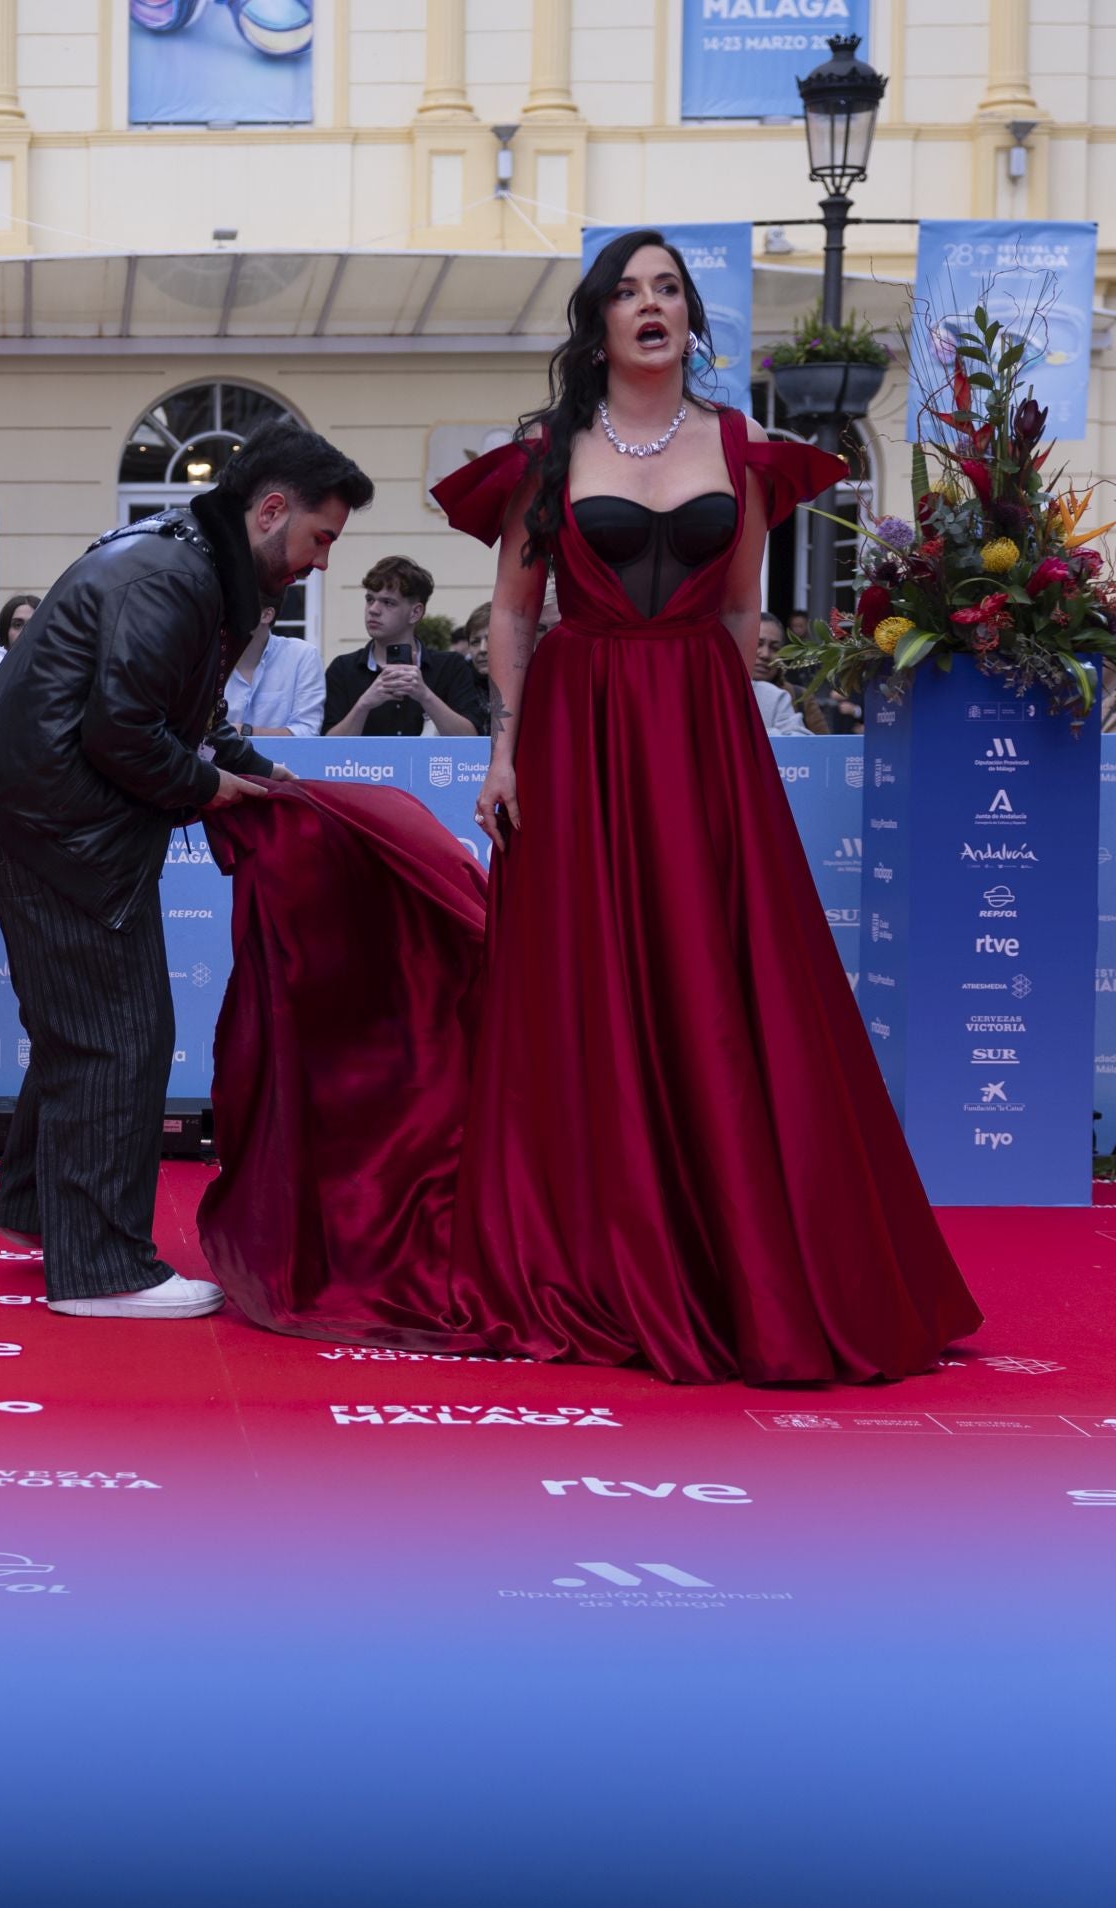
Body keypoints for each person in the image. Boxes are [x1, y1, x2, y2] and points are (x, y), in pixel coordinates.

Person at [199, 229, 981, 1385]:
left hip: (703, 727)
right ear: (598, 322)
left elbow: (733, 618)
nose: (649, 306)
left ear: (690, 321)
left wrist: (739, 739)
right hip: (577, 726)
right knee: (586, 982)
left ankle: (738, 1253)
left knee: (720, 978)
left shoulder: (739, 449)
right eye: (627, 291)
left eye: (668, 289)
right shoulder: (549, 452)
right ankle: (595, 1242)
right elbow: (511, 613)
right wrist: (505, 750)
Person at [0, 421, 373, 1322]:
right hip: (55, 817)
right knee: (120, 1030)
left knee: (82, 1022)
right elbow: (125, 732)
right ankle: (101, 1267)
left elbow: (180, 709)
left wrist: (253, 770)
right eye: (321, 538)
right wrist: (215, 788)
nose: (323, 564)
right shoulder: (178, 575)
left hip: (41, 802)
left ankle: (41, 1211)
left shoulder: (192, 564)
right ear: (269, 511)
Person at [323, 556, 483, 737]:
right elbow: (328, 750)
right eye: (370, 599)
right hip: (365, 766)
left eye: (388, 602)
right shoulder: (343, 669)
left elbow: (470, 741)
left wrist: (424, 695)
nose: (373, 609)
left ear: (415, 613)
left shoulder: (450, 667)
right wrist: (364, 704)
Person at [224, 597, 326, 738]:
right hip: (217, 760)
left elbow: (307, 733)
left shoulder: (302, 655)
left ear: (266, 615)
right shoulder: (209, 659)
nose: (224, 614)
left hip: (284, 760)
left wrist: (245, 731)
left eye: (236, 606)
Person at [753, 609, 826, 733]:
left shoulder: (800, 697)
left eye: (774, 648)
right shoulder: (718, 692)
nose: (765, 654)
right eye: (757, 644)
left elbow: (824, 748)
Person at [463, 598, 492, 733]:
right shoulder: (458, 684)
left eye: (491, 639)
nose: (482, 649)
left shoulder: (528, 683)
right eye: (475, 642)